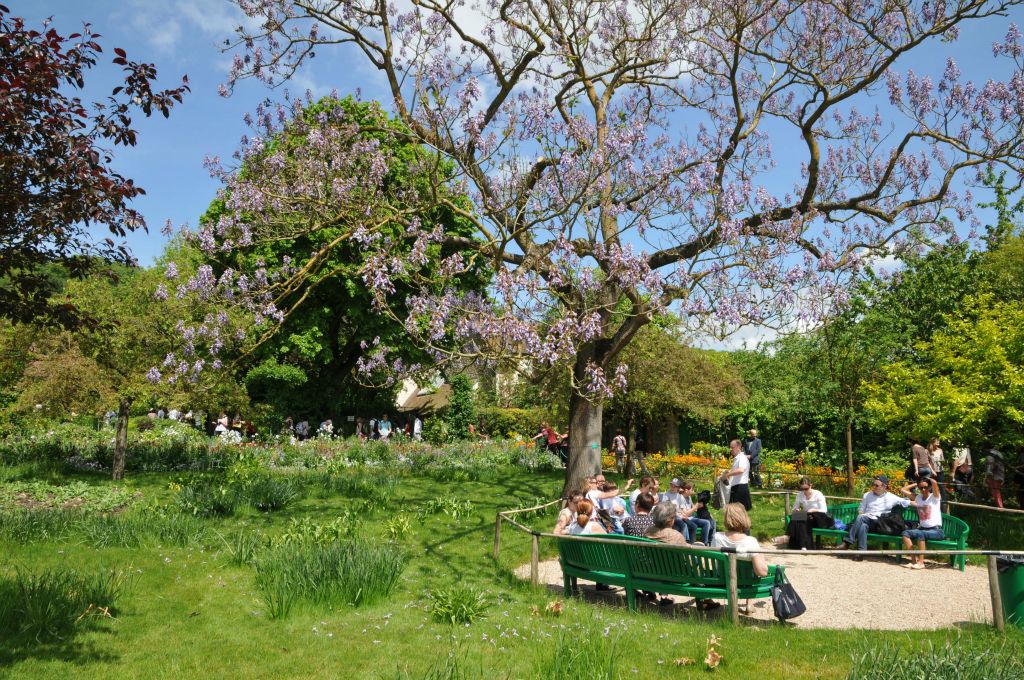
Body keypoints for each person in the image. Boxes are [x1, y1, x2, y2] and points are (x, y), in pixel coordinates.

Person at [840, 475, 907, 560]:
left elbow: (906, 502)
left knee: (861, 518)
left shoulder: (891, 497)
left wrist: (920, 502)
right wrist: (862, 513)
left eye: (876, 485)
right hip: (867, 521)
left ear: (884, 487)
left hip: (880, 524)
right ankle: (860, 553)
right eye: (873, 484)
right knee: (863, 525)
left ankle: (847, 542)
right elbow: (861, 509)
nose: (874, 487)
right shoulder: (867, 495)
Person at [711, 503, 769, 578]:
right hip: (746, 585)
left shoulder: (717, 537)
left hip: (723, 581)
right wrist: (760, 554)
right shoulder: (751, 541)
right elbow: (762, 572)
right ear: (744, 518)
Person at [899, 475, 943, 569]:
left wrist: (928, 479)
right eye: (921, 487)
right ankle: (914, 561)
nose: (923, 489)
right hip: (923, 529)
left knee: (920, 534)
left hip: (936, 531)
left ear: (930, 487)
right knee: (905, 533)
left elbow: (935, 483)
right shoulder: (918, 498)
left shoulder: (934, 497)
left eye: (925, 487)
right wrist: (917, 483)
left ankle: (921, 562)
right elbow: (903, 489)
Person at [786, 477, 829, 550]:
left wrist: (813, 510)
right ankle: (804, 546)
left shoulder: (818, 494)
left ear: (811, 485)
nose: (804, 491)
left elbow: (824, 510)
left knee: (802, 518)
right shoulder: (800, 494)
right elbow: (795, 508)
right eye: (802, 489)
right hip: (807, 516)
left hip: (819, 517)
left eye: (806, 489)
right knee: (796, 516)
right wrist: (796, 509)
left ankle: (789, 538)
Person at [721, 439, 752, 510]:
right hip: (736, 488)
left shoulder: (742, 458)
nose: (730, 449)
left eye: (732, 447)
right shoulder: (737, 458)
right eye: (730, 447)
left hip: (740, 488)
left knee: (739, 513)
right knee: (735, 513)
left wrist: (727, 475)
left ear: (738, 447)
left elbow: (741, 470)